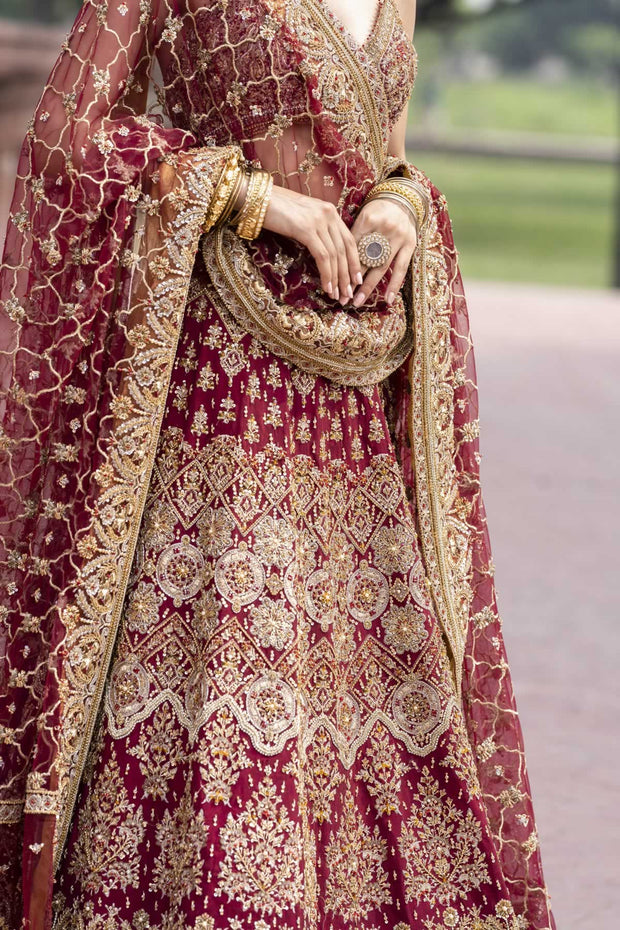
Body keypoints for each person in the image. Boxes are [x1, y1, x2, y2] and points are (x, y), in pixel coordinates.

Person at [0, 1, 556, 928]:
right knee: (231, 700)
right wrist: (260, 199)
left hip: (353, 417)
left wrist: (400, 200)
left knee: (375, 716)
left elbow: (384, 152)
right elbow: (66, 137)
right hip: (220, 403)